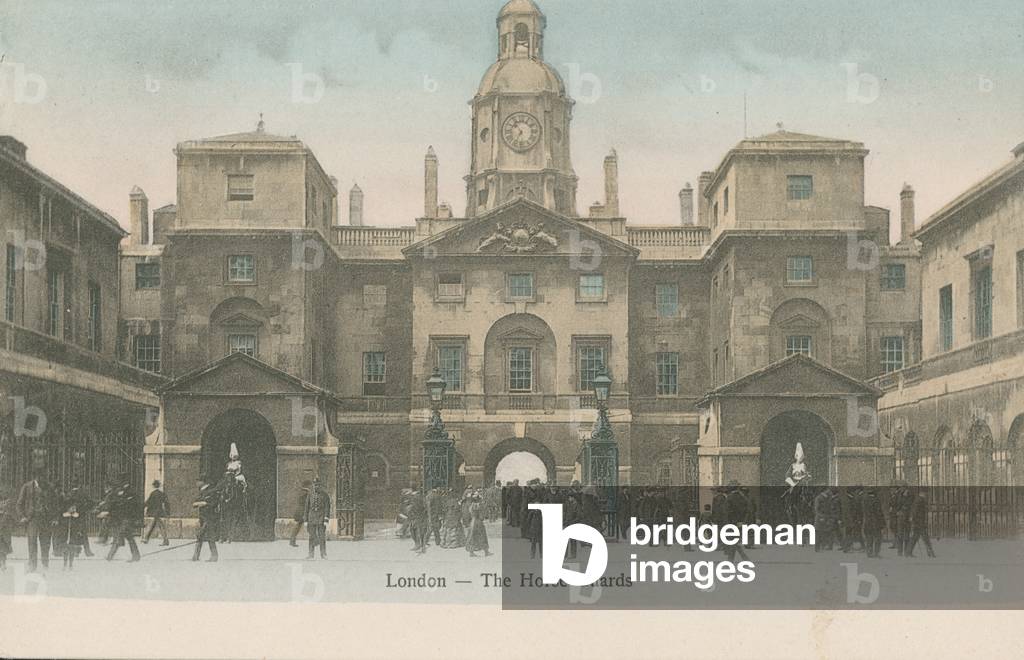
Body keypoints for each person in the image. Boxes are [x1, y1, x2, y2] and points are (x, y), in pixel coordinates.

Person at [16, 473, 57, 572]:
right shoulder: (27, 487)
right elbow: (19, 503)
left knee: (45, 542)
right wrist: (22, 516)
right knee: (32, 541)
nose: (41, 478)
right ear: (35, 476)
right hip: (32, 519)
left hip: (46, 519)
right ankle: (32, 565)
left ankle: (45, 564)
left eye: (43, 475)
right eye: (39, 476)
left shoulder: (50, 487)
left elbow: (55, 504)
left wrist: (55, 518)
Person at [103, 475, 141, 562]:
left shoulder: (130, 492)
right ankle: (136, 555)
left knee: (120, 536)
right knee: (129, 537)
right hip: (122, 518)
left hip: (127, 518)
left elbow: (134, 505)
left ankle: (110, 556)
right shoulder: (121, 492)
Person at [59, 487, 89, 570]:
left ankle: (70, 564)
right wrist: (67, 513)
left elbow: (80, 515)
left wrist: (75, 514)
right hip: (65, 527)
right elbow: (61, 513)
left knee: (71, 546)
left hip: (73, 527)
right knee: (66, 546)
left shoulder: (78, 504)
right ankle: (65, 564)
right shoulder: (65, 503)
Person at [192, 478, 220, 562]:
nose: (196, 483)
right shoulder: (201, 492)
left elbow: (214, 503)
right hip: (203, 517)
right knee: (200, 536)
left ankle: (214, 556)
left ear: (203, 482)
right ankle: (196, 556)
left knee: (210, 536)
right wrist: (201, 503)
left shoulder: (211, 491)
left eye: (198, 481)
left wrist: (204, 503)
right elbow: (194, 504)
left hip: (209, 517)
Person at [304, 478, 331, 560]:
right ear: (313, 485)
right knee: (311, 537)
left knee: (322, 537)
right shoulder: (310, 495)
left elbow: (327, 508)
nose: (316, 486)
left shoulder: (325, 495)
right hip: (311, 518)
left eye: (318, 485)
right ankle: (311, 554)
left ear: (320, 486)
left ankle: (323, 554)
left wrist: (326, 519)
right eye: (315, 485)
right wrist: (305, 520)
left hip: (321, 518)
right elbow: (307, 507)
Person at [907, 489, 936, 558]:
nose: (926, 495)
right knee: (925, 538)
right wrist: (912, 517)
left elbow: (914, 510)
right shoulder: (920, 500)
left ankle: (908, 552)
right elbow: (915, 510)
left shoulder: (919, 500)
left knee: (915, 537)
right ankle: (930, 553)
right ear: (922, 493)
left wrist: (912, 518)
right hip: (919, 522)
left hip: (918, 522)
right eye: (926, 493)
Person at [143, 480, 170, 545]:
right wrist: (167, 512)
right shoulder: (162, 493)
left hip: (154, 512)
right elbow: (166, 503)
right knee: (155, 525)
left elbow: (148, 502)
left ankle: (165, 540)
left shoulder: (153, 493)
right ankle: (146, 538)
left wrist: (142, 506)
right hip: (160, 512)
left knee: (159, 526)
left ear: (154, 486)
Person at [465, 491, 491, 557]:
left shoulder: (471, 505)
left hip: (472, 522)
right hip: (478, 522)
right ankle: (486, 551)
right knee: (482, 536)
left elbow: (468, 514)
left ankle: (471, 552)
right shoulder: (479, 505)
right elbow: (482, 515)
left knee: (472, 537)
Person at [861, 487, 884, 558]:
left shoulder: (865, 500)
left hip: (868, 521)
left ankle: (869, 552)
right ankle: (876, 552)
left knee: (869, 537)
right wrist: (883, 523)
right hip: (876, 522)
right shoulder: (876, 500)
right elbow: (879, 512)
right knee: (878, 537)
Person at [288, 481, 311, 547]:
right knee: (302, 526)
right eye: (310, 485)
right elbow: (305, 503)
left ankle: (292, 541)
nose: (311, 486)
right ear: (307, 485)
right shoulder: (305, 492)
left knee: (298, 526)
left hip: (300, 511)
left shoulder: (301, 492)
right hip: (302, 512)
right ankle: (292, 541)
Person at [0, 488, 13, 571]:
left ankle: (3, 562)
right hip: (3, 524)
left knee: (3, 545)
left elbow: (7, 512)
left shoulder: (7, 501)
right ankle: (2, 563)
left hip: (4, 526)